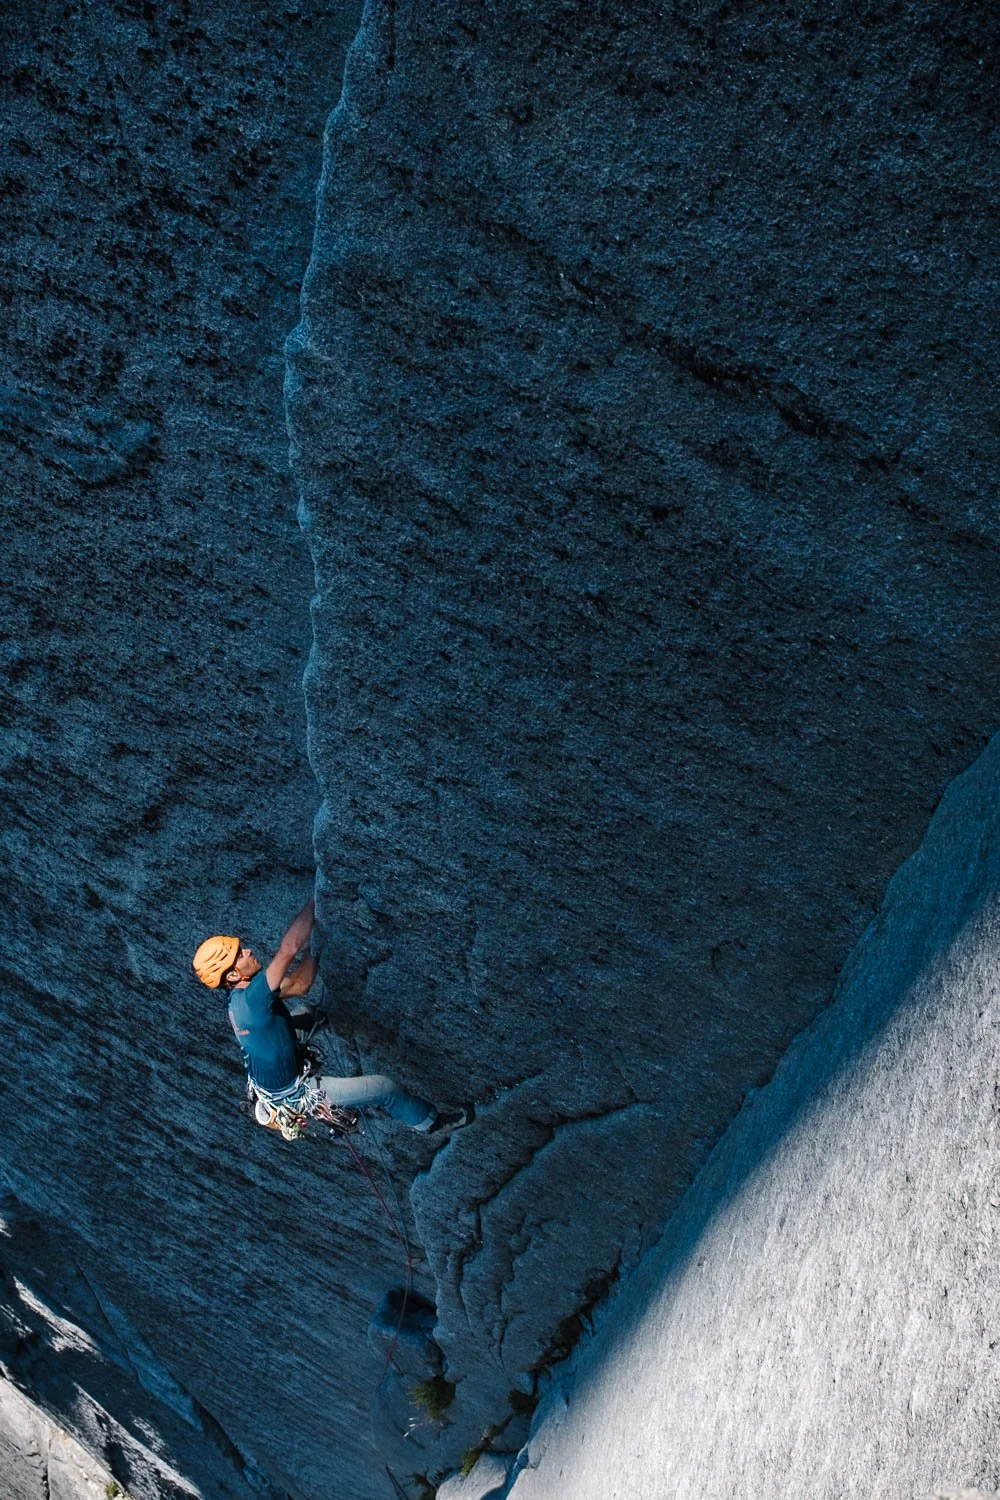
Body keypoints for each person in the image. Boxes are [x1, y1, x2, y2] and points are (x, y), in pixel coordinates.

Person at [192, 898, 469, 1135]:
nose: (248, 951)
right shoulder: (252, 1000)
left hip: (270, 1080)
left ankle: (327, 1024)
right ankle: (432, 1123)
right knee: (385, 1088)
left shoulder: (240, 997)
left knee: (310, 1014)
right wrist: (319, 900)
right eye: (240, 954)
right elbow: (288, 949)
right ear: (231, 975)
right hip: (295, 1093)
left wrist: (319, 948)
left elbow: (300, 985)